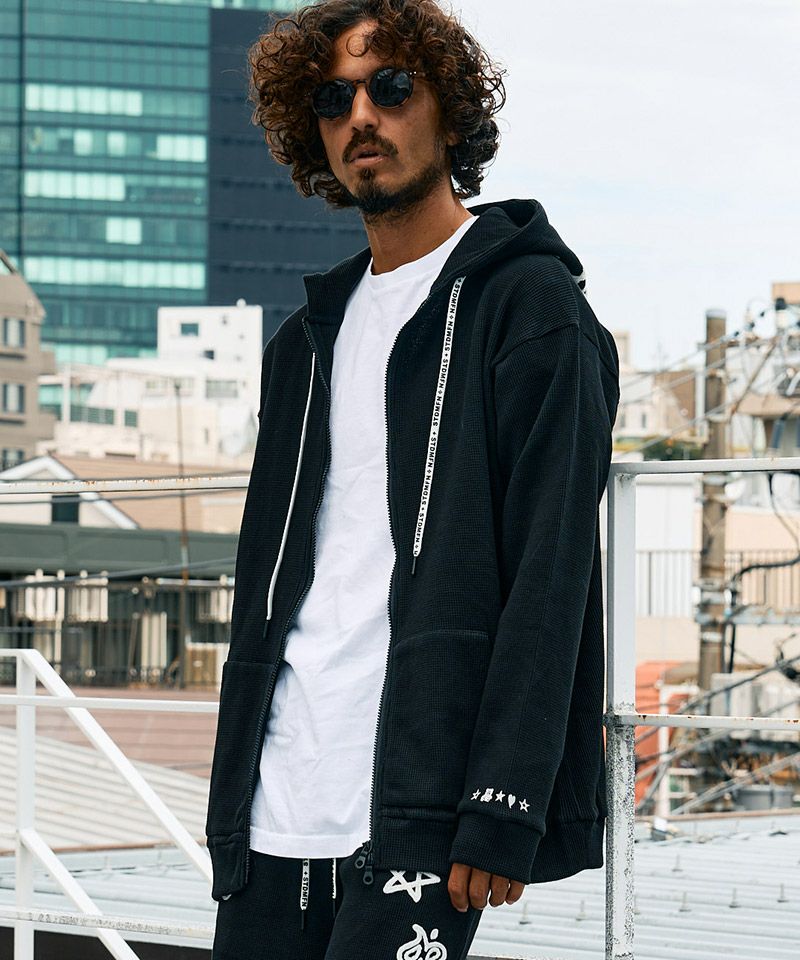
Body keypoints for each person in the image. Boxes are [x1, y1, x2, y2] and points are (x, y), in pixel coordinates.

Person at [205, 1, 620, 958]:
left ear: (448, 109)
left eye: (391, 88)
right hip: (275, 800)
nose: (362, 116)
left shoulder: (533, 311)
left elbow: (552, 573)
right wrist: (233, 792)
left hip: (420, 806)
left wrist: (504, 799)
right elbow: (270, 580)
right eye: (332, 99)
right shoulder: (303, 344)